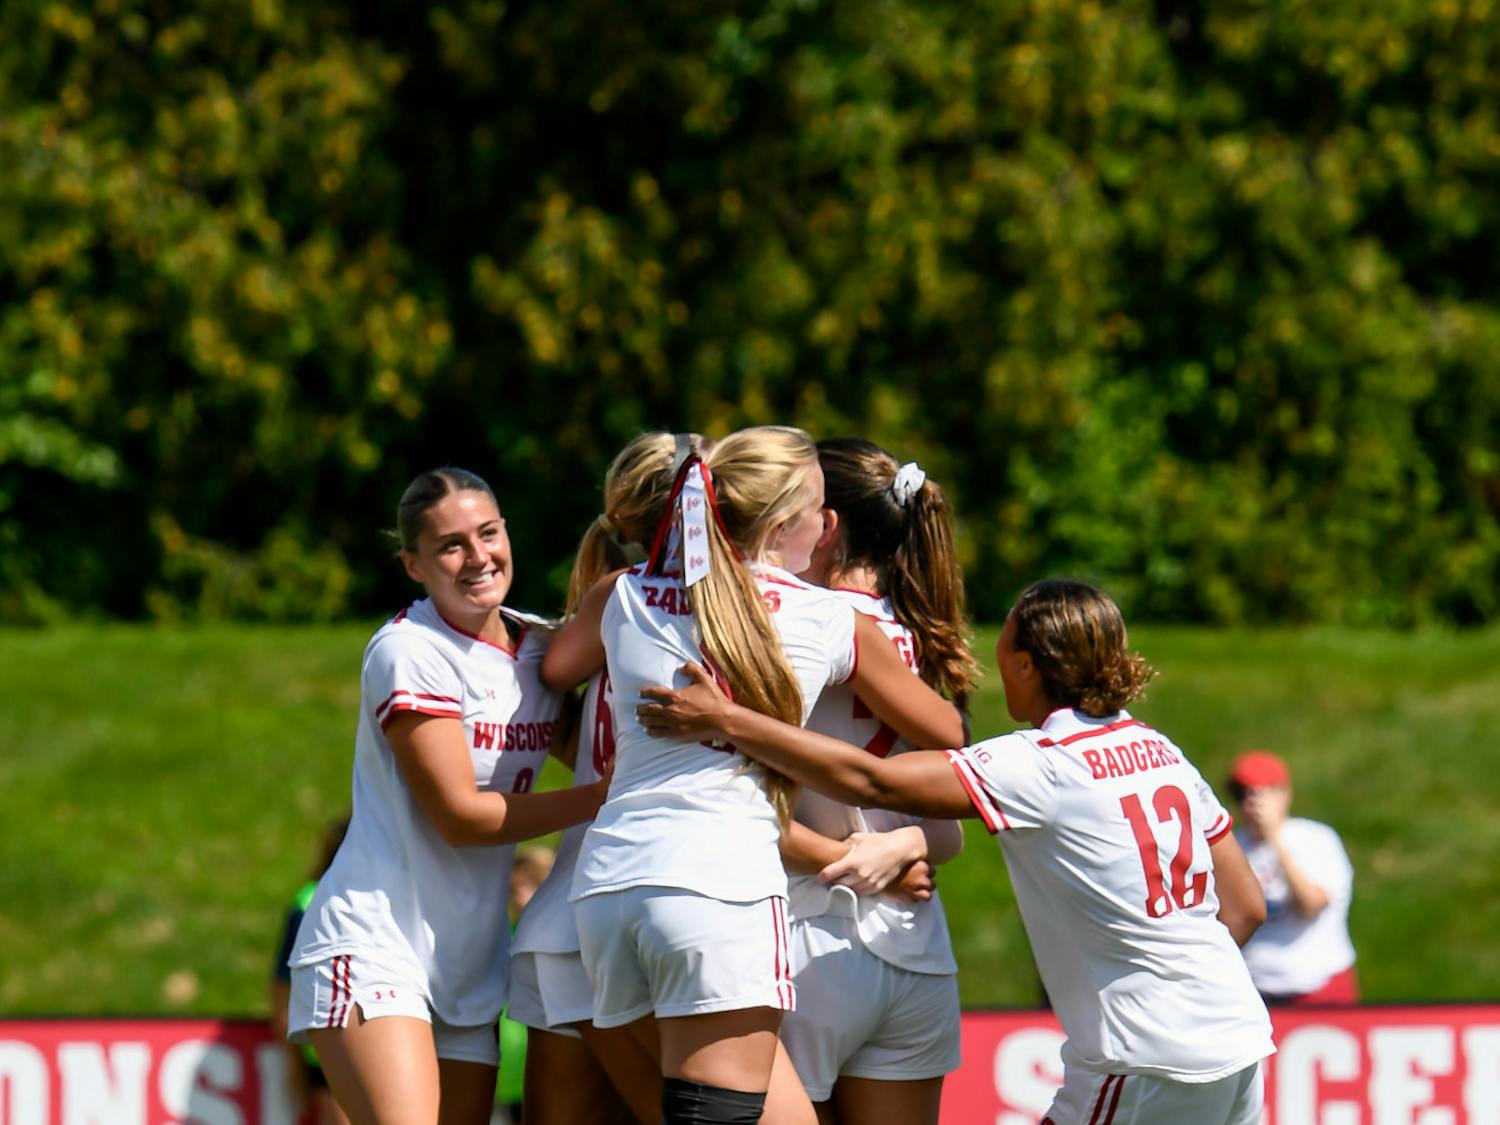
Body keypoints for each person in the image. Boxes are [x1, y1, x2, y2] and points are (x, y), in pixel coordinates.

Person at [638, 578, 1276, 1125]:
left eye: (1002, 642)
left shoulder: (1041, 764)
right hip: (1240, 1036)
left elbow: (875, 780)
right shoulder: (1164, 751)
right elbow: (1245, 908)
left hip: (1147, 1053)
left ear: (1027, 664)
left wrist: (726, 720)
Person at [541, 426, 967, 1125]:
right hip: (721, 890)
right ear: (783, 523)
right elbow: (951, 737)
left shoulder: (626, 596)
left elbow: (558, 667)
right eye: (816, 507)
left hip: (608, 887)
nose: (826, 522)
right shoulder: (828, 617)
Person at [286, 467, 612, 1125]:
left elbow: (596, 747)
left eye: (488, 533)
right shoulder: (409, 650)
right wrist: (604, 799)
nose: (478, 556)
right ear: (413, 563)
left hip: (470, 966)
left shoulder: (539, 647)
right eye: (450, 545)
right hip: (374, 943)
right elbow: (461, 816)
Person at [777, 439, 978, 1125]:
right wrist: (900, 849)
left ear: (823, 523)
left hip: (810, 934)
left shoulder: (799, 622)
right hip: (916, 948)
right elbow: (953, 814)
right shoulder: (921, 630)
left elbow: (729, 802)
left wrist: (859, 858)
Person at [510, 433, 707, 1125]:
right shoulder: (723, 603)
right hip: (652, 892)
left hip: (575, 899)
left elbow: (555, 671)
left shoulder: (612, 596)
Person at [1229, 749, 1359, 1005]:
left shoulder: (1315, 839)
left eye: (1260, 793)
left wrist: (1274, 841)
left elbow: (1312, 904)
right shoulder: (1233, 846)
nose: (1251, 803)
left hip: (1317, 984)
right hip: (1254, 988)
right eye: (1242, 794)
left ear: (1284, 794)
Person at [271, 814, 353, 1125]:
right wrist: (293, 1062)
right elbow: (283, 987)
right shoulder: (309, 903)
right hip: (328, 1044)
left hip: (344, 1039)